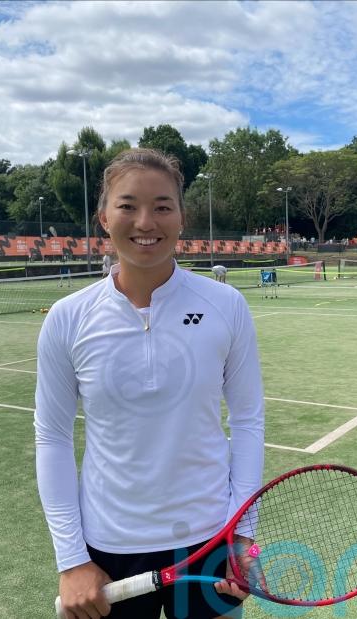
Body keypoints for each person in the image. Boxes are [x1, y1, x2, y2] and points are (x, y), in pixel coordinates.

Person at [35, 148, 265, 619]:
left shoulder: (227, 305)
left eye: (162, 206)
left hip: (211, 542)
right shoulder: (67, 318)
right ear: (104, 217)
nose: (145, 222)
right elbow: (52, 437)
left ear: (182, 218)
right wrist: (72, 560)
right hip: (108, 548)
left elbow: (247, 421)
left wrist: (242, 534)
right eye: (128, 205)